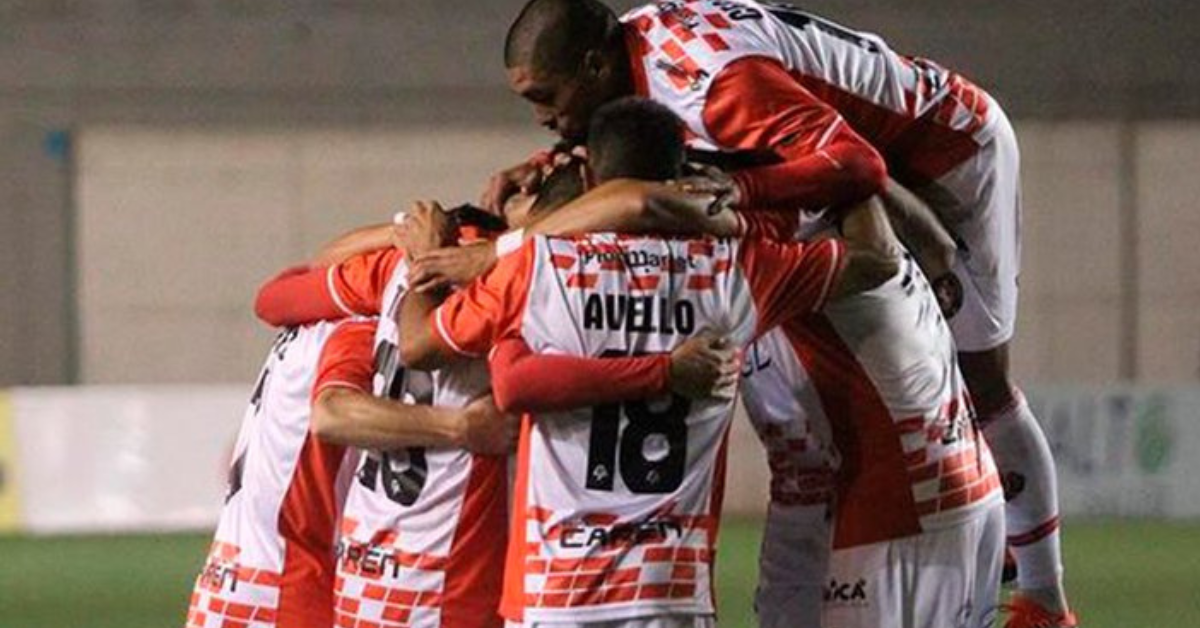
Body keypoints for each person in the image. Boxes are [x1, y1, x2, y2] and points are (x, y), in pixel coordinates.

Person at [497, 3, 1074, 625]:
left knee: (982, 379)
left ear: (592, 65)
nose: (542, 118)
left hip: (950, 148)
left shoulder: (718, 95)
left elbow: (860, 167)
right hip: (856, 170)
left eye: (547, 97)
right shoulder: (633, 60)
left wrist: (740, 192)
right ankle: (979, 543)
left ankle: (1045, 598)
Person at [394, 97, 898, 628]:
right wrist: (838, 172)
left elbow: (419, 345)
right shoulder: (735, 268)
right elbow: (877, 259)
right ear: (683, 170)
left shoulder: (536, 269)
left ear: (589, 175)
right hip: (669, 593)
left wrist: (422, 259)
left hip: (557, 591)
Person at [252, 174, 736, 628]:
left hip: (367, 578)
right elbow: (512, 378)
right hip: (449, 579)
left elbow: (279, 295)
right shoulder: (525, 280)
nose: (512, 187)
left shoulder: (392, 269)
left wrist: (409, 234)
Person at [184, 319, 374, 628]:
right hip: (281, 586)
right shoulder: (354, 331)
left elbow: (275, 296)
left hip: (229, 576)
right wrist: (453, 427)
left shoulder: (306, 322)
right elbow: (334, 415)